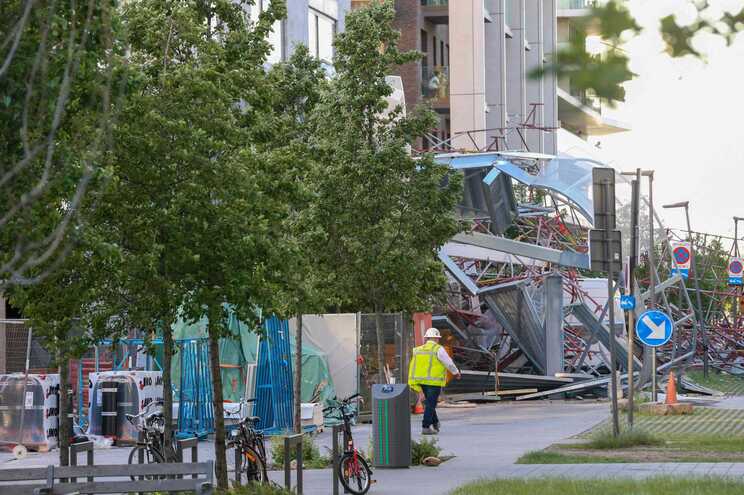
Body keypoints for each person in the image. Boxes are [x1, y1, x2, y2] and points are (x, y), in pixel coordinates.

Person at [408, 327, 460, 435]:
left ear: (426, 338)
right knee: (431, 404)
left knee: (429, 403)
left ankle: (435, 422)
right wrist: (456, 372)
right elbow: (448, 362)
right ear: (437, 339)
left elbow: (413, 365)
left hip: (422, 381)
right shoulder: (438, 349)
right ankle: (425, 426)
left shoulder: (417, 350)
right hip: (434, 382)